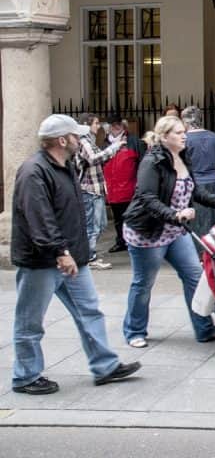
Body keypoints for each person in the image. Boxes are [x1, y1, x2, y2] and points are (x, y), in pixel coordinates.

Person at [10, 114, 142, 395]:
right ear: (62, 140)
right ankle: (25, 376)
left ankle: (105, 366)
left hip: (72, 257)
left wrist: (74, 253)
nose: (81, 139)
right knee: (30, 321)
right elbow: (40, 219)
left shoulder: (65, 165)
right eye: (76, 136)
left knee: (90, 311)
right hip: (43, 260)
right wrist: (60, 252)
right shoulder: (34, 171)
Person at [121, 115, 215, 348]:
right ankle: (134, 331)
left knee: (194, 275)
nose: (184, 135)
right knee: (143, 283)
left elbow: (193, 190)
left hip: (174, 231)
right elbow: (146, 198)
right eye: (178, 132)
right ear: (164, 137)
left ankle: (204, 328)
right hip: (148, 232)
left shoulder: (183, 157)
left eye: (184, 131)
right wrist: (175, 215)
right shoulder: (152, 162)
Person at [75, 113, 125, 270]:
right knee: (92, 226)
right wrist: (114, 147)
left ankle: (89, 254)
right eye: (96, 123)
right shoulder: (84, 142)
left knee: (100, 224)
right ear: (86, 125)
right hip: (89, 190)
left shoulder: (89, 141)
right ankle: (89, 257)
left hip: (95, 190)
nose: (98, 126)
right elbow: (94, 159)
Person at [181, 106, 215, 235]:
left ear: (186, 121)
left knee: (198, 223)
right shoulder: (213, 136)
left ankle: (200, 252)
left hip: (194, 185)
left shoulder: (184, 139)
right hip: (214, 182)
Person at [102, 115, 145, 253]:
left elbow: (143, 164)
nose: (116, 127)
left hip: (131, 188)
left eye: (118, 124)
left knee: (133, 216)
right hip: (113, 189)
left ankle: (134, 242)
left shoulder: (134, 142)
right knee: (117, 219)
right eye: (113, 124)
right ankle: (121, 241)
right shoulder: (104, 144)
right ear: (108, 128)